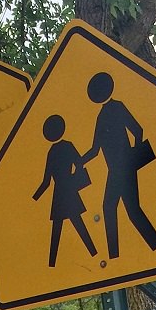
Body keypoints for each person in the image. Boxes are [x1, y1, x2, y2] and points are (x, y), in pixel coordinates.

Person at [82, 71, 156, 259]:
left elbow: (137, 130)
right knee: (119, 209)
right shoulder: (101, 116)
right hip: (115, 170)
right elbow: (95, 149)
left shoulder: (117, 107)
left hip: (123, 168)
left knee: (123, 209)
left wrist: (132, 157)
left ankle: (127, 253)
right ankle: (117, 255)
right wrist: (79, 163)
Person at [32, 114, 97, 268]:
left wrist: (35, 198)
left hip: (59, 193)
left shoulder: (51, 152)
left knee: (58, 227)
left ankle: (52, 263)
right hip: (69, 189)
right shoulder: (68, 146)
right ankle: (93, 252)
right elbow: (79, 163)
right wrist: (74, 178)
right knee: (76, 223)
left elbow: (46, 181)